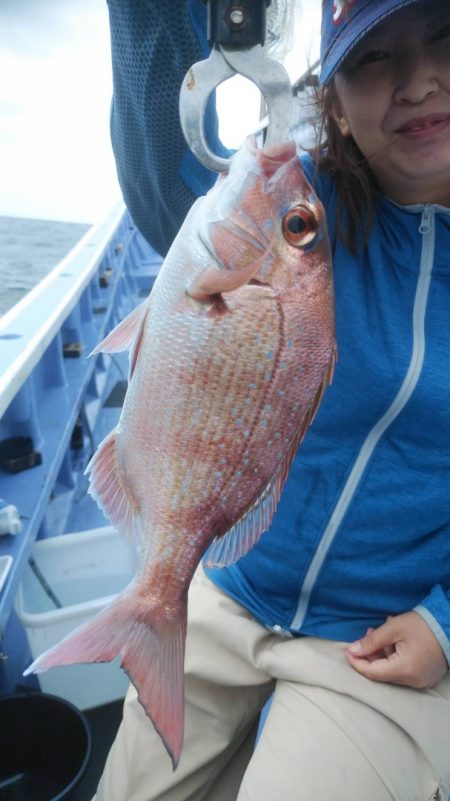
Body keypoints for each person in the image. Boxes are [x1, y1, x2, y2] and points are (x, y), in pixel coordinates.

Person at [94, 1, 450, 798]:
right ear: (337, 107)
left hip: (382, 636)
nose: (419, 82)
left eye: (444, 39)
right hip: (225, 578)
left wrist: (447, 623)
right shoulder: (301, 200)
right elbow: (165, 177)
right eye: (372, 60)